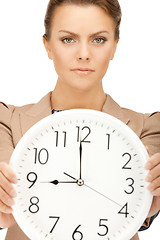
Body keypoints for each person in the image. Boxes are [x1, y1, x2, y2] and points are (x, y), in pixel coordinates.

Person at [0, 0, 160, 239]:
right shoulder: (7, 121)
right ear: (48, 46)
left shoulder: (149, 128)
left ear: (115, 46)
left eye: (98, 40)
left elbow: (139, 208)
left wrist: (150, 204)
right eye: (68, 39)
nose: (84, 54)